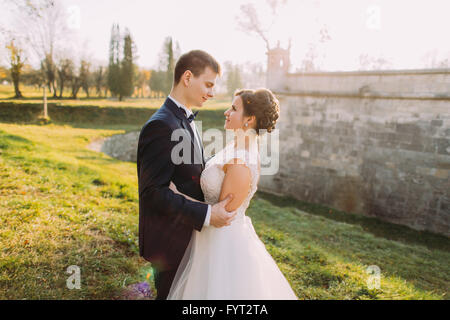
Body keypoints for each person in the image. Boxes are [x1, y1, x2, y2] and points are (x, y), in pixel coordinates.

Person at [167, 88, 298, 299]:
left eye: (234, 108)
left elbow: (222, 215)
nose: (226, 112)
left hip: (223, 244)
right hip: (208, 237)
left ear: (250, 119)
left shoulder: (242, 162)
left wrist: (176, 194)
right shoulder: (234, 146)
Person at [137, 50, 237, 300]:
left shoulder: (185, 119)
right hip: (171, 245)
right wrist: (207, 214)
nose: (212, 93)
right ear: (188, 77)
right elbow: (152, 193)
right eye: (209, 84)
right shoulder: (161, 125)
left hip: (188, 237)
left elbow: (187, 174)